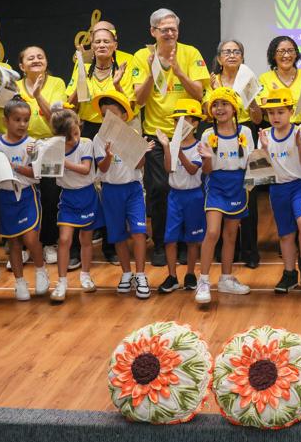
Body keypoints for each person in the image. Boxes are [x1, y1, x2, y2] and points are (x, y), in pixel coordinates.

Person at [133, 8, 207, 269]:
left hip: (186, 135)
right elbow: (138, 100)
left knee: (187, 189)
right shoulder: (142, 56)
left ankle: (187, 243)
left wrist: (179, 71)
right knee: (159, 190)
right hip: (156, 134)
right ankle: (162, 244)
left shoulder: (191, 53)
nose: (169, 33)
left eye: (173, 29)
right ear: (153, 31)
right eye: (164, 29)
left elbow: (199, 94)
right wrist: (151, 73)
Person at [194, 87, 252, 305]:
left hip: (238, 185)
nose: (219, 108)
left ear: (234, 108)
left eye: (224, 104)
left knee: (231, 234)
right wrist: (208, 158)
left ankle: (226, 279)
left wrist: (263, 151)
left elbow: (250, 164)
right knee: (212, 232)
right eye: (215, 105)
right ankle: (203, 281)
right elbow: (206, 170)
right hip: (216, 185)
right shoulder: (207, 135)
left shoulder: (245, 132)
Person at [255, 89, 301, 294]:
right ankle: (289, 274)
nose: (276, 116)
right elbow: (262, 172)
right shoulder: (264, 136)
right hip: (278, 188)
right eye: (271, 113)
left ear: (291, 112)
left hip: (300, 184)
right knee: (286, 234)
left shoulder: (300, 133)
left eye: (280, 112)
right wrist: (264, 149)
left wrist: (299, 145)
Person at [94, 92, 152, 300]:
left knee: (139, 232)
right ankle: (126, 273)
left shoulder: (132, 134)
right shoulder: (98, 138)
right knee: (118, 234)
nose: (107, 119)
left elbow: (139, 165)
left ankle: (141, 275)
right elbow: (102, 167)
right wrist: (108, 156)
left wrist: (141, 151)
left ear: (124, 116)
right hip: (111, 191)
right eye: (104, 115)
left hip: (133, 189)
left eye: (112, 114)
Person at [208, 39, 260, 267]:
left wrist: (252, 101)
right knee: (220, 195)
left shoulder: (249, 79)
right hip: (220, 134)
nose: (232, 55)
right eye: (227, 51)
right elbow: (206, 113)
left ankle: (250, 251)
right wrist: (213, 95)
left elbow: (257, 119)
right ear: (219, 58)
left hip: (244, 133)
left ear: (242, 56)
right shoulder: (212, 81)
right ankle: (226, 251)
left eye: (236, 51)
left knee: (249, 193)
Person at [0, 98, 50, 303]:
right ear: (5, 120)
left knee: (30, 238)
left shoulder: (34, 144)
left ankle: (41, 270)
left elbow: (36, 174)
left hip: (27, 195)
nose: (22, 124)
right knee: (14, 242)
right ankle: (20, 282)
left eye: (26, 120)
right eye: (17, 119)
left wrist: (14, 166)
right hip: (5, 197)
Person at [16, 45, 68, 266]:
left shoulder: (57, 83)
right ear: (22, 66)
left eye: (40, 57)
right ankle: (23, 246)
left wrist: (37, 96)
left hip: (51, 145)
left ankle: (48, 243)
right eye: (30, 58)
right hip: (22, 145)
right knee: (21, 196)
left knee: (50, 195)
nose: (36, 60)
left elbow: (56, 117)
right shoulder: (14, 85)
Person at [48, 107, 100, 303]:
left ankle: (85, 275)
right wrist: (36, 154)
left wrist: (63, 163)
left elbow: (86, 169)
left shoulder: (86, 143)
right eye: (70, 137)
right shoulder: (52, 147)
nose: (75, 139)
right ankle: (61, 282)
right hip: (68, 198)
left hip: (87, 195)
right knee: (64, 239)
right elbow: (43, 170)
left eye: (77, 132)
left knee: (86, 239)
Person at [155, 100, 206, 294]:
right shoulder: (171, 144)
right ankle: (172, 276)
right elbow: (169, 168)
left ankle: (190, 274)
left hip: (194, 196)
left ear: (195, 123)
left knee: (193, 239)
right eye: (176, 121)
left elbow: (193, 170)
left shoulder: (199, 146)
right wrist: (167, 147)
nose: (179, 125)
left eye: (184, 121)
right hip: (175, 196)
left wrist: (179, 151)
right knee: (170, 239)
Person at [66, 20, 143, 137]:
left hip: (118, 125)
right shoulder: (83, 64)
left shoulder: (126, 62)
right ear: (92, 45)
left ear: (115, 44)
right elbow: (71, 107)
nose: (102, 45)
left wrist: (117, 85)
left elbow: (129, 109)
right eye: (97, 41)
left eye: (106, 41)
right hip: (87, 127)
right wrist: (81, 84)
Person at [258, 35, 301, 125]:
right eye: (281, 51)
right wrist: (278, 96)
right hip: (276, 128)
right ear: (273, 55)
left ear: (296, 54)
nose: (287, 55)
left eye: (291, 51)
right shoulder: (264, 78)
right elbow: (264, 109)